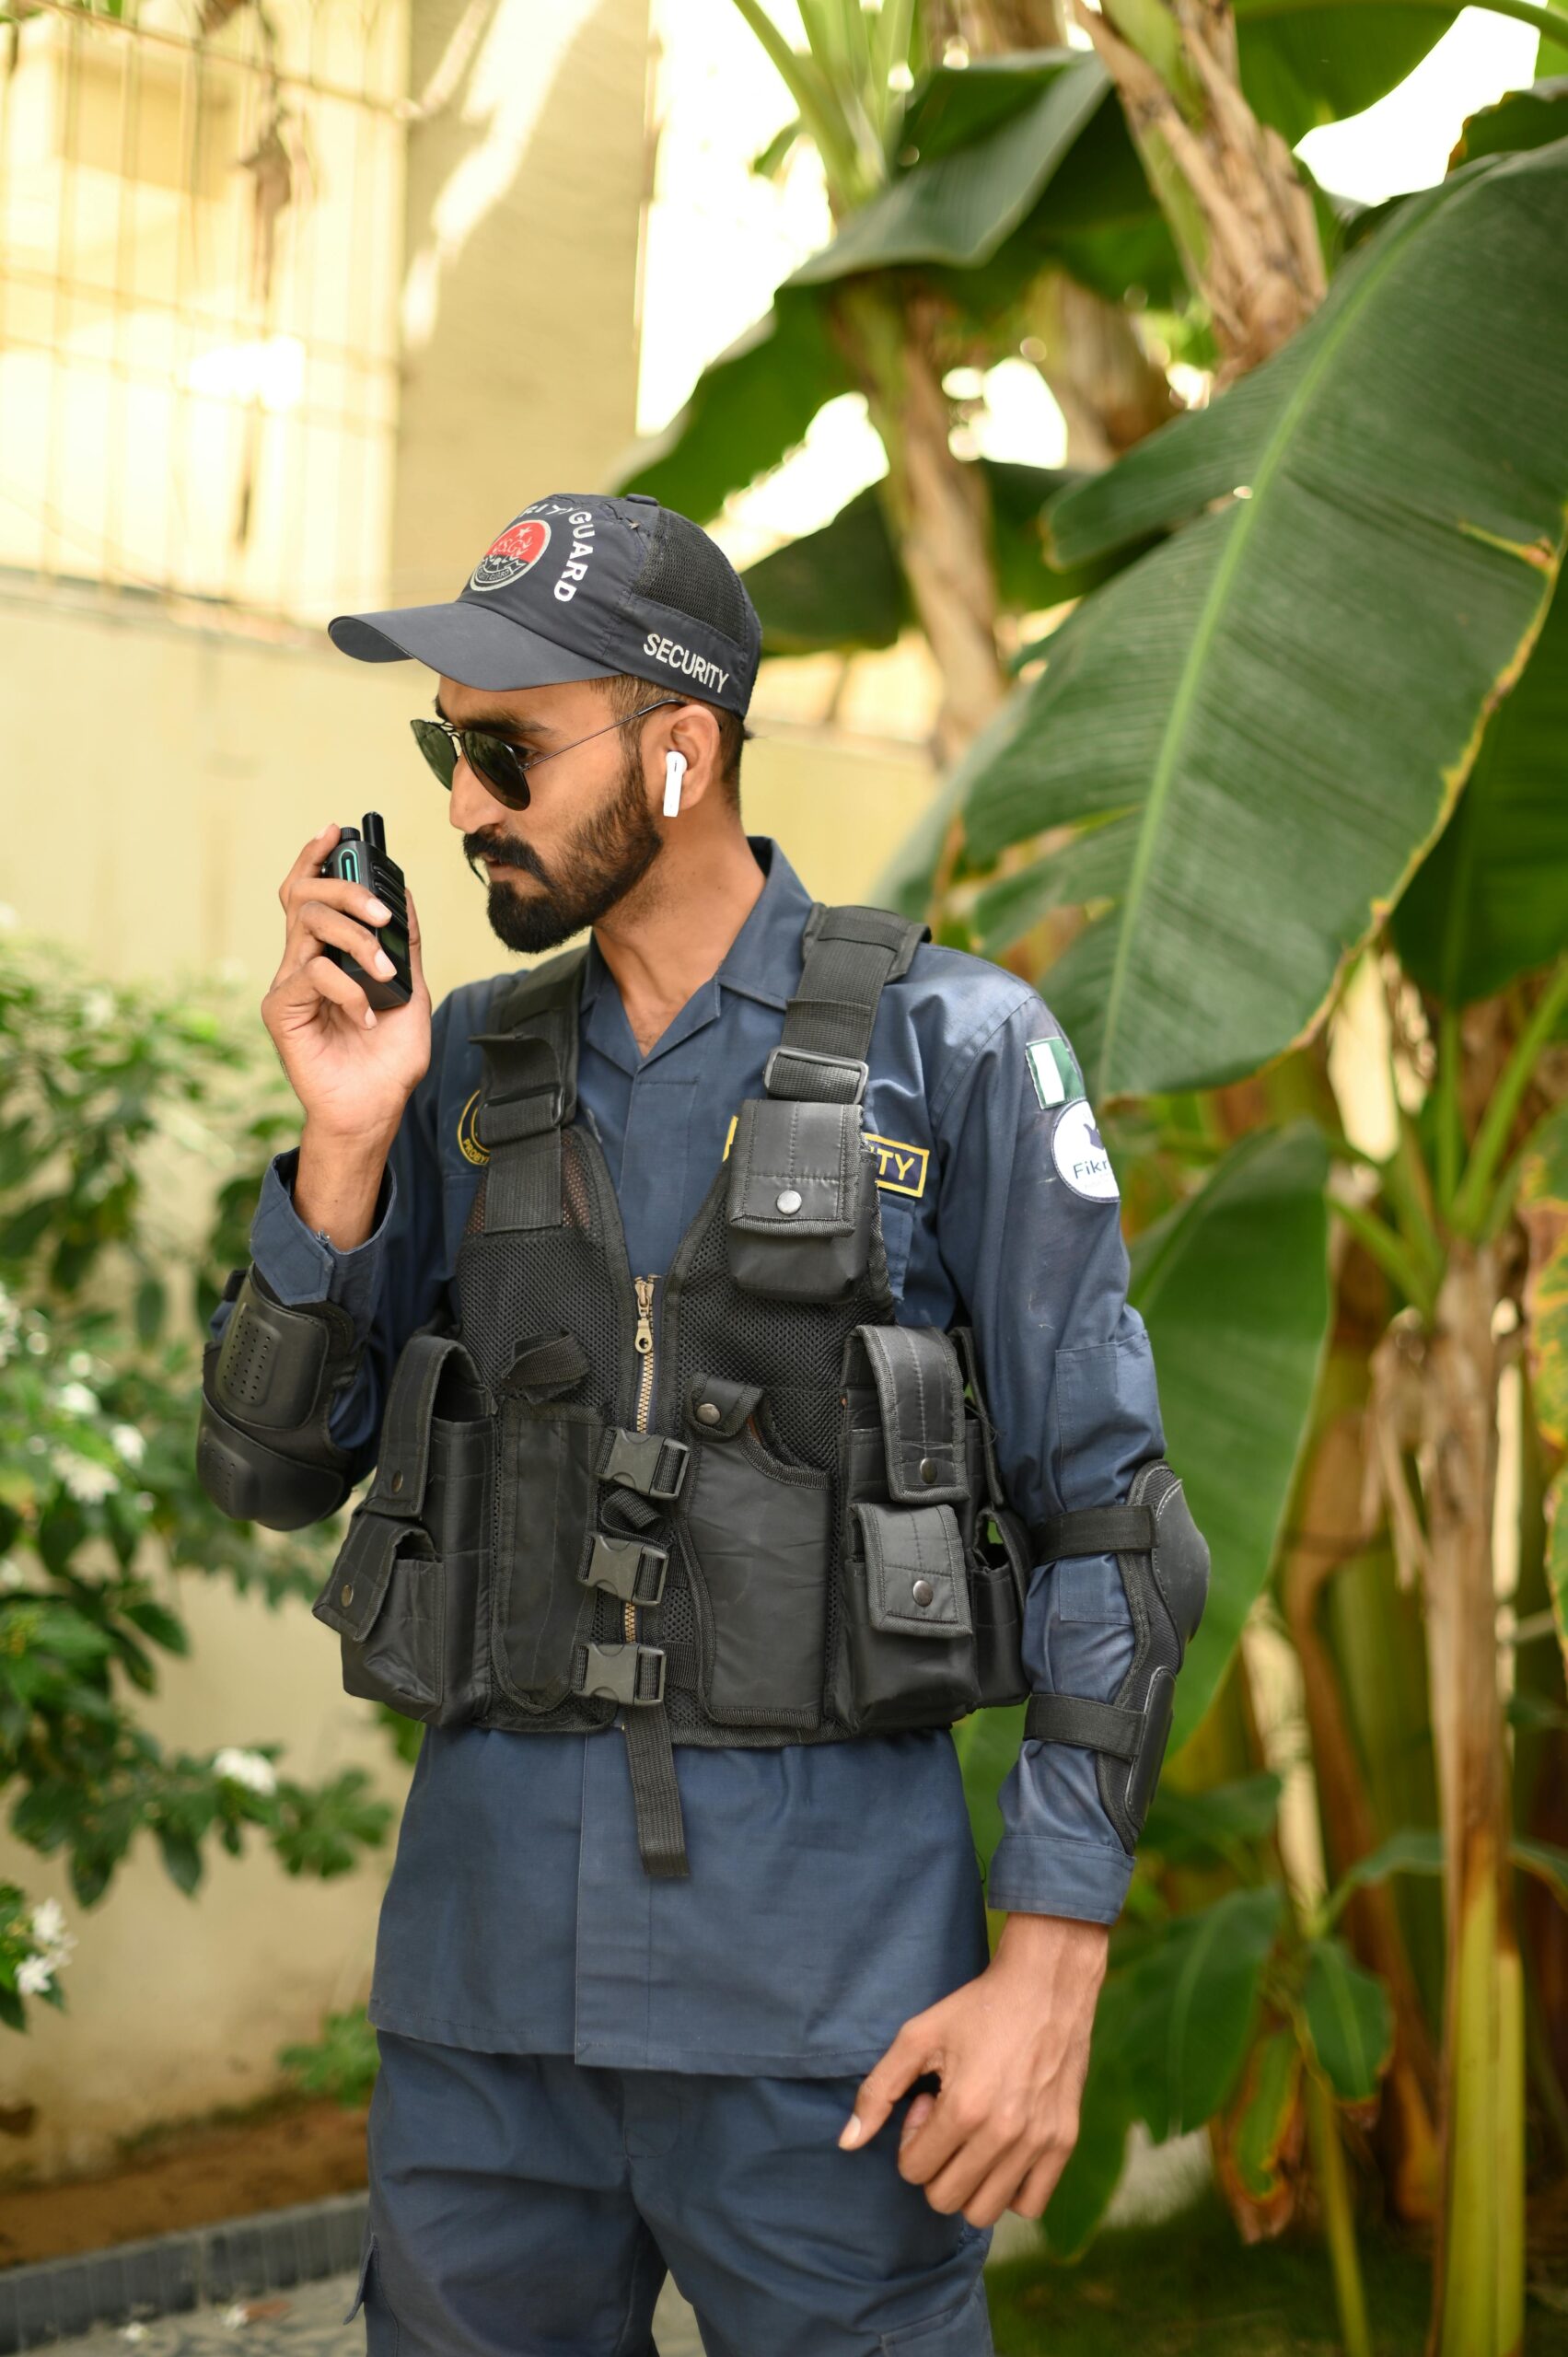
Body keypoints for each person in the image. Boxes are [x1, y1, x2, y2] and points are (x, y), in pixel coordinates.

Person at [198, 493, 1206, 2357]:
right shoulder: (452, 1073)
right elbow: (264, 1466)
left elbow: (1116, 1531)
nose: (462, 801)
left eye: (504, 748)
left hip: (830, 2015)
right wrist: (342, 1141)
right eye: (445, 748)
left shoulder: (959, 1050)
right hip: (484, 2014)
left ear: (681, 753)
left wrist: (1052, 1962)